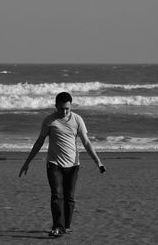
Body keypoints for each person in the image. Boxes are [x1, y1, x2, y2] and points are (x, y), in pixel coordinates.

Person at [19, 92, 106, 237]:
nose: (64, 112)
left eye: (67, 109)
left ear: (70, 107)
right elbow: (40, 141)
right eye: (61, 109)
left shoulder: (77, 120)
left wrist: (98, 162)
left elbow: (86, 142)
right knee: (56, 195)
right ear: (56, 106)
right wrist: (27, 162)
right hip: (54, 164)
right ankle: (57, 227)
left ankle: (66, 226)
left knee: (69, 197)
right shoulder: (49, 121)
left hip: (73, 165)